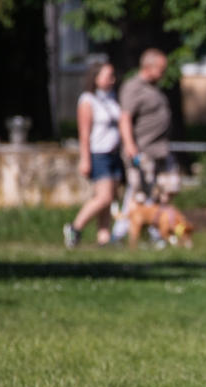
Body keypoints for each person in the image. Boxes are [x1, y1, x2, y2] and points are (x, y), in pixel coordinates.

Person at [112, 48, 181, 243]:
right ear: (148, 67)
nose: (164, 72)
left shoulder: (153, 87)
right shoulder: (134, 87)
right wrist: (130, 145)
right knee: (138, 195)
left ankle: (157, 232)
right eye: (161, 68)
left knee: (165, 190)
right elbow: (125, 118)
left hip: (160, 149)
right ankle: (118, 235)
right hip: (142, 150)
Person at [63, 61, 122, 248]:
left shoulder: (112, 98)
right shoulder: (88, 100)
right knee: (103, 197)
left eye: (113, 75)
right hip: (98, 154)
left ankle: (104, 237)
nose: (112, 80)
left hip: (114, 154)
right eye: (107, 76)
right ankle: (75, 227)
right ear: (95, 78)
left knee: (109, 198)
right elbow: (84, 133)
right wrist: (85, 159)